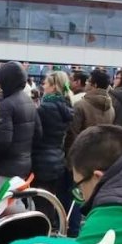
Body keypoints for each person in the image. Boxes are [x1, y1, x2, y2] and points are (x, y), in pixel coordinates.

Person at [0, 61, 40, 190]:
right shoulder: (29, 101)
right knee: (16, 203)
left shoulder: (7, 105)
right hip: (25, 163)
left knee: (7, 206)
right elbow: (39, 133)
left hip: (7, 167)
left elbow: (3, 141)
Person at [31, 71, 74, 226]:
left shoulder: (46, 108)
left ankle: (41, 233)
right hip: (57, 158)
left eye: (46, 83)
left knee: (40, 201)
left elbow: (37, 134)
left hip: (42, 159)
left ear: (54, 86)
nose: (43, 86)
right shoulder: (66, 106)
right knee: (49, 199)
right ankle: (50, 228)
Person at [64, 67, 114, 158]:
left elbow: (72, 134)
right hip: (101, 155)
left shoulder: (80, 105)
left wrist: (69, 158)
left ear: (94, 85)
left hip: (81, 156)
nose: (86, 83)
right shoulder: (111, 108)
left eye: (88, 81)